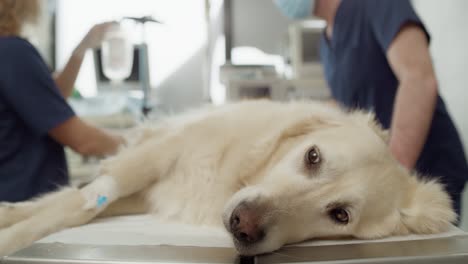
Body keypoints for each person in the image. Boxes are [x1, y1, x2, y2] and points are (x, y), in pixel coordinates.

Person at [274, 0, 468, 219]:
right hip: (380, 176)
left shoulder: (377, 4)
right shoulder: (326, 42)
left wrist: (393, 174)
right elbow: (347, 105)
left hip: (427, 167)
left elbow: (419, 79)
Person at [0, 0, 123, 202]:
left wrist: (81, 49)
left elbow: (47, 100)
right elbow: (85, 142)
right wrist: (142, 144)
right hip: (25, 205)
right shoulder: (13, 52)